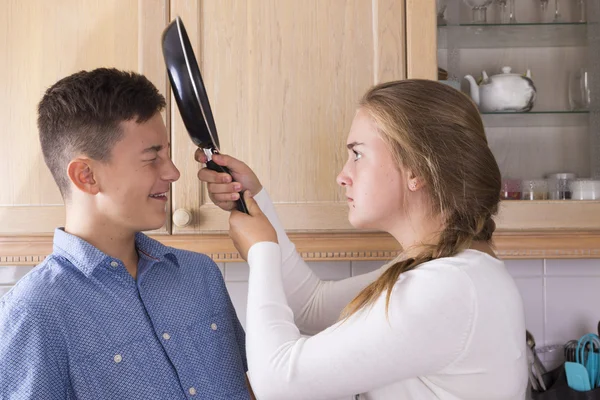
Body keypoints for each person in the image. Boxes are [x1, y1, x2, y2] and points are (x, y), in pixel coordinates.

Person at [197, 79, 529, 400]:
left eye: (357, 154)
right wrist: (257, 201)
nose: (342, 176)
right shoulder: (447, 272)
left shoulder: (448, 287)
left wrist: (262, 251)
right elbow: (310, 306)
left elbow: (276, 382)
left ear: (417, 171)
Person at [0, 68, 253, 400]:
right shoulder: (36, 312)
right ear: (86, 175)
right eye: (152, 158)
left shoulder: (200, 274)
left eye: (168, 154)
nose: (174, 172)